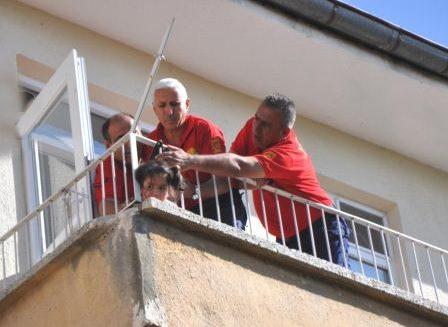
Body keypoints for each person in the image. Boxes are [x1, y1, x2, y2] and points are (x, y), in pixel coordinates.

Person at [156, 94, 350, 267]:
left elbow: (238, 166)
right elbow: (230, 172)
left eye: (266, 125)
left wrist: (189, 160)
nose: (256, 127)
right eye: (257, 118)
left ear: (284, 132)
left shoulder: (289, 154)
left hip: (321, 226)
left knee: (336, 290)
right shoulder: (252, 127)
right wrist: (196, 190)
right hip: (286, 234)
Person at [147, 78, 247, 229]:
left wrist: (192, 191)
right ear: (154, 109)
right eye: (162, 105)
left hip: (221, 205)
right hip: (183, 211)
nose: (168, 111)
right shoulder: (150, 140)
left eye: (174, 104)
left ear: (187, 104)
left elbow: (225, 180)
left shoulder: (205, 129)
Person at [93, 113, 149, 215]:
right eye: (121, 139)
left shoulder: (152, 149)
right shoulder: (109, 165)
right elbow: (107, 210)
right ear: (108, 146)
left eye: (134, 134)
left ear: (142, 135)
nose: (129, 143)